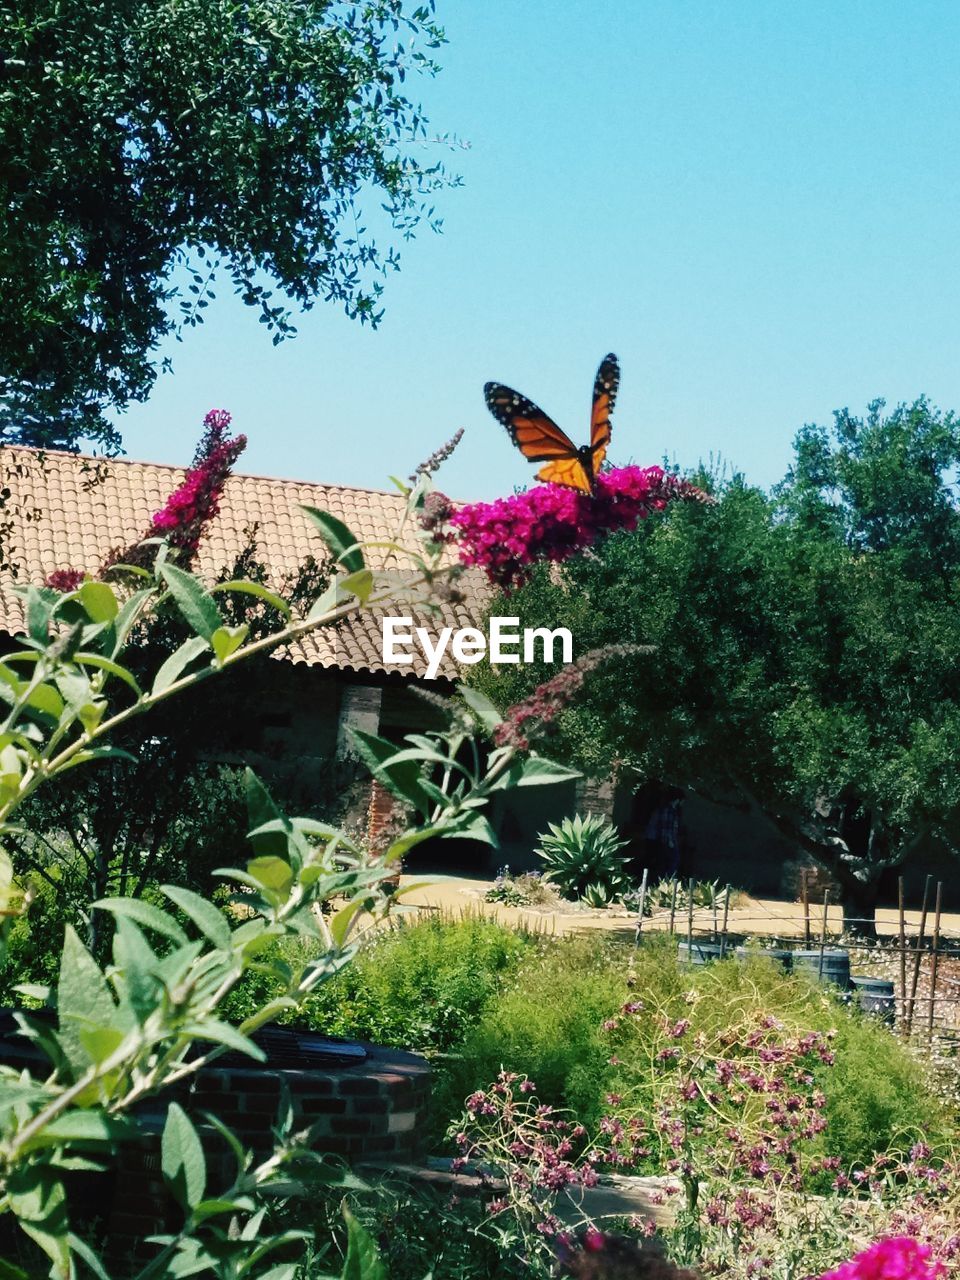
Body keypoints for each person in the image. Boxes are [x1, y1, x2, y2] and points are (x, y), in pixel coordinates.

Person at [643, 788, 683, 880]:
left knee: (664, 863)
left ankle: (663, 881)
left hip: (659, 840)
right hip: (663, 841)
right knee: (671, 861)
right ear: (677, 800)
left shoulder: (667, 810)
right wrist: (670, 842)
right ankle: (666, 882)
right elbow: (666, 828)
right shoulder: (669, 811)